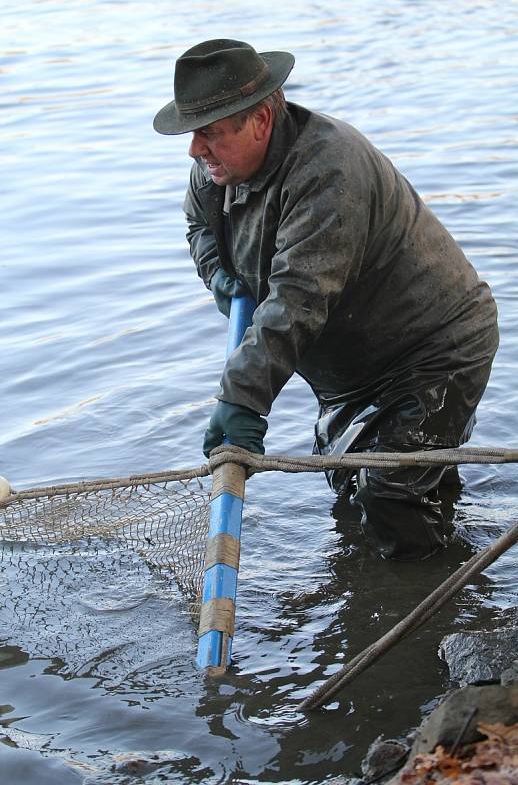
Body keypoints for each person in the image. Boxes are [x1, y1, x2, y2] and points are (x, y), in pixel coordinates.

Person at [153, 39, 499, 561]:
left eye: (210, 133)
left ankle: (428, 614)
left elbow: (297, 299)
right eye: (192, 133)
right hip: (351, 369)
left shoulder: (327, 170)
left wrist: (241, 400)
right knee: (350, 490)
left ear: (263, 118)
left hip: (432, 349)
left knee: (390, 495)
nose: (195, 150)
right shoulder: (215, 167)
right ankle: (431, 536)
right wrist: (218, 272)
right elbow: (199, 223)